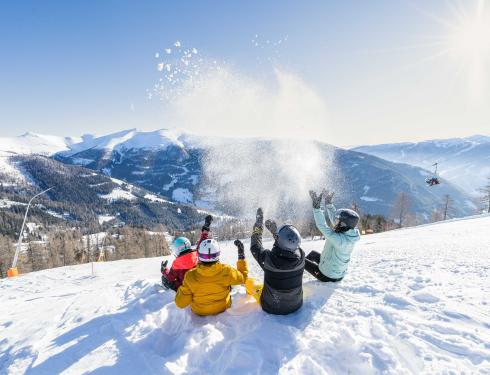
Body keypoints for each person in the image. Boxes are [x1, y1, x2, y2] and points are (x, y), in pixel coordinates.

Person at [246, 208, 305, 315]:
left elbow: (255, 245)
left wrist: (259, 224)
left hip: (271, 306)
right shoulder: (301, 257)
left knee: (249, 282)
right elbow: (287, 246)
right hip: (296, 304)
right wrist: (275, 233)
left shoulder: (269, 260)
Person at [174, 234, 248, 316]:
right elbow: (243, 278)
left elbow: (180, 303)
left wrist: (186, 287)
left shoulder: (190, 276)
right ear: (218, 254)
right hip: (223, 307)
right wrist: (241, 256)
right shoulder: (227, 271)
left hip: (199, 311)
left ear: (199, 255)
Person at [306, 189, 360, 282]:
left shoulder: (339, 240)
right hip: (337, 272)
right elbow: (335, 220)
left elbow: (322, 226)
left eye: (339, 221)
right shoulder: (349, 231)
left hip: (327, 275)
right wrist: (329, 204)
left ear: (343, 224)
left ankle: (293, 276)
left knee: (301, 261)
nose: (337, 222)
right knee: (313, 254)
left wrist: (316, 208)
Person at [160, 215, 213, 291]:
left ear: (178, 249)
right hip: (199, 284)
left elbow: (170, 277)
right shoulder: (197, 253)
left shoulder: (177, 263)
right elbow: (202, 242)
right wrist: (206, 227)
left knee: (166, 280)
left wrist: (164, 270)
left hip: (186, 289)